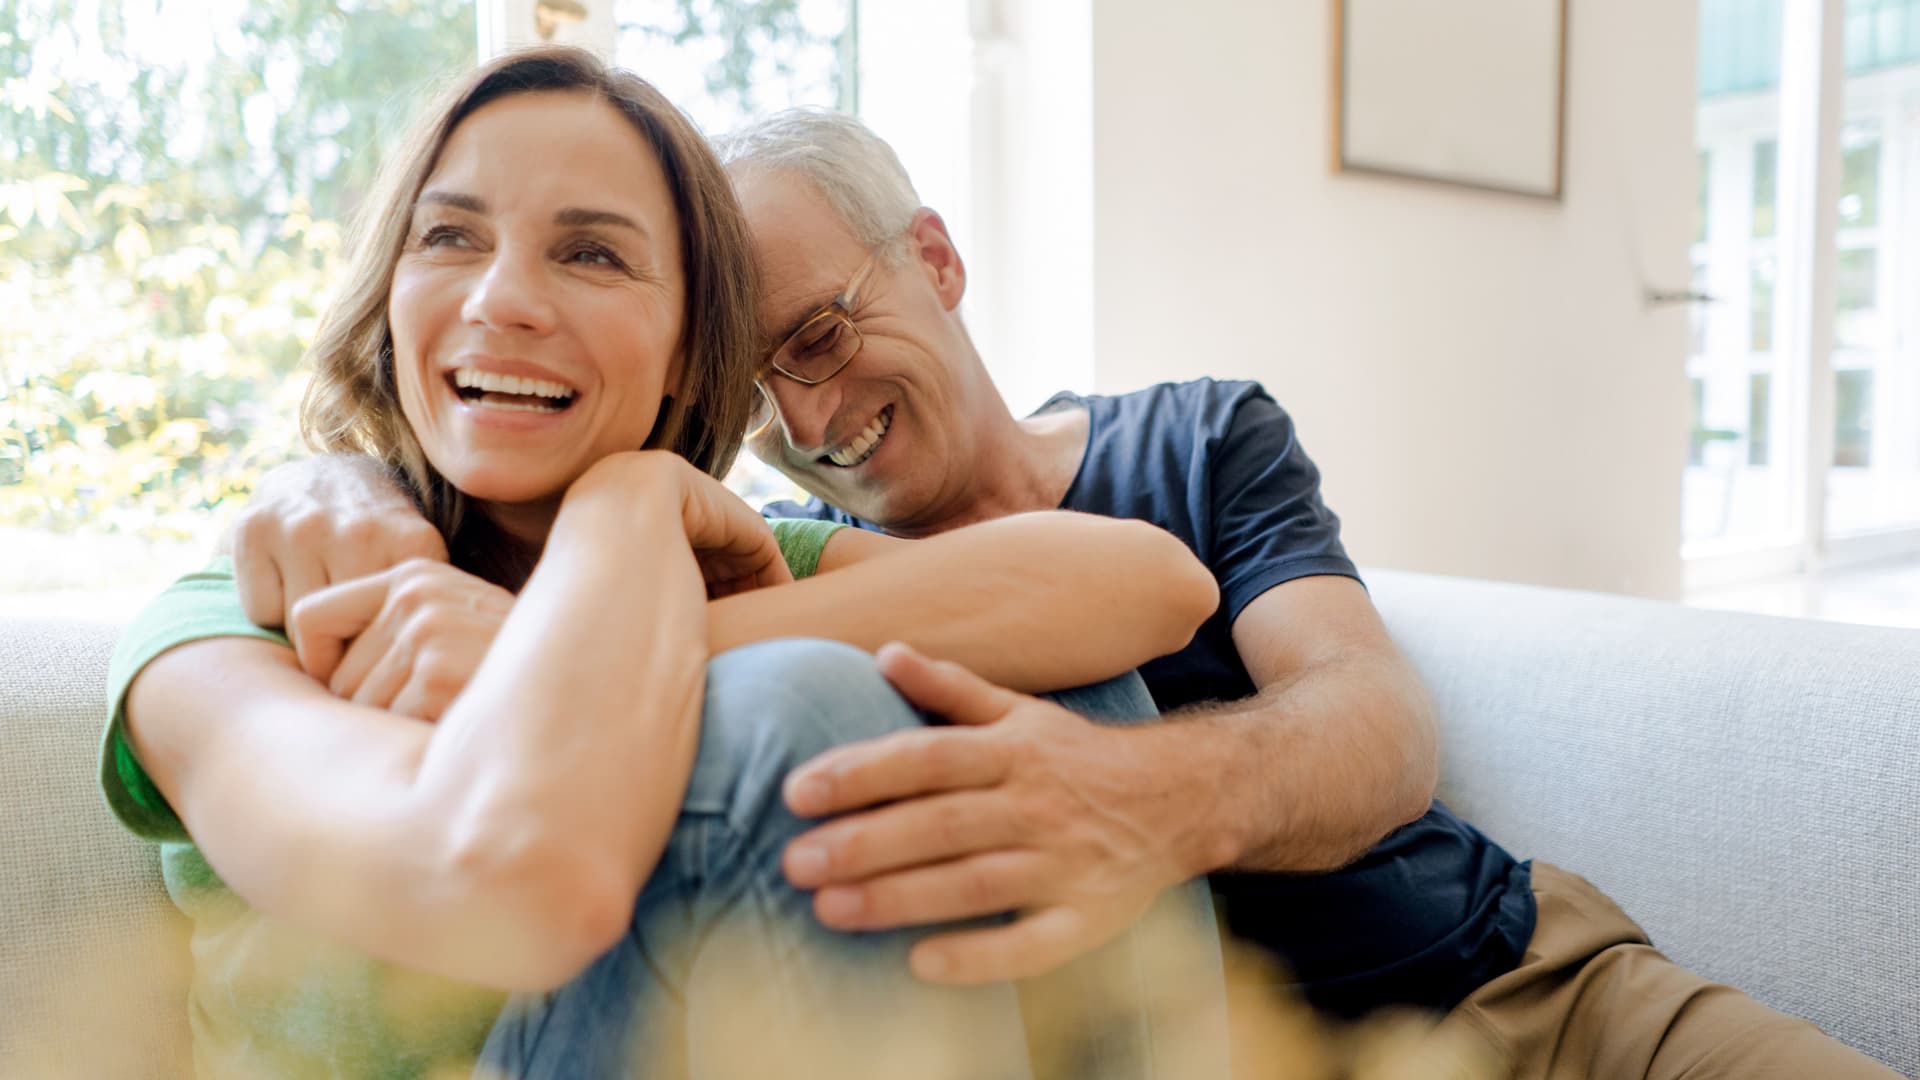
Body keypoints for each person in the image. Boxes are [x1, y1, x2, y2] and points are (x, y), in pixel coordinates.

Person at [235, 104, 1903, 1079]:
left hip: (1520, 986)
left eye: (820, 337)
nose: (808, 420)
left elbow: (1374, 724)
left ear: (937, 262)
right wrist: (368, 498)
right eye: (760, 392)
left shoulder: (1194, 441)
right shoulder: (761, 547)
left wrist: (1142, 798)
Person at [102, 50, 1229, 1080]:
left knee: (1066, 688)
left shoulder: (721, 557)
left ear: (693, 355)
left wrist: (619, 534)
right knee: (801, 695)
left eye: (591, 253)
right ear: (390, 302)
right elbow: (504, 887)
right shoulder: (242, 613)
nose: (502, 300)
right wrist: (614, 570)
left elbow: (1149, 585)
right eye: (448, 237)